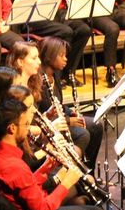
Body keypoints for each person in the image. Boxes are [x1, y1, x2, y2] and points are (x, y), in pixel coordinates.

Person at [38, 37, 103, 169]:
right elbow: (47, 112)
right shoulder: (40, 82)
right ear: (50, 57)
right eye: (61, 55)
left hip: (62, 119)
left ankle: (88, 170)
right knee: (83, 134)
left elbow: (59, 104)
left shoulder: (55, 75)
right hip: (52, 125)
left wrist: (72, 113)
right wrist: (69, 121)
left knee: (96, 125)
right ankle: (74, 171)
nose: (66, 59)